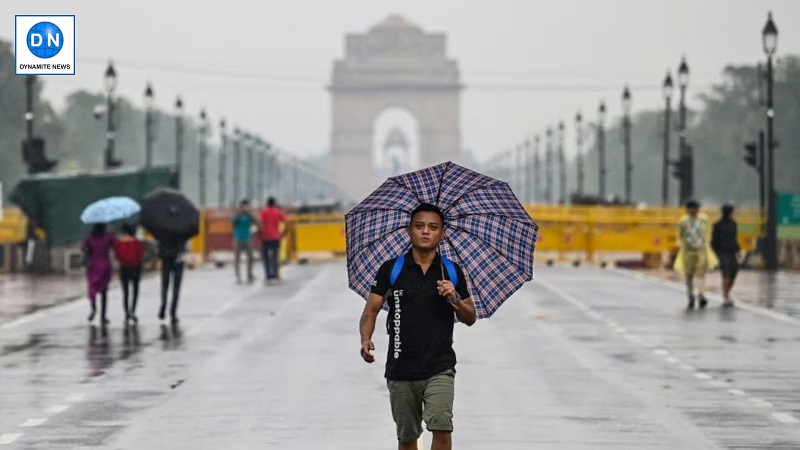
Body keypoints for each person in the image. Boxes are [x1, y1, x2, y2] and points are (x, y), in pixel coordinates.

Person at [359, 203, 477, 450]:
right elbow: (370, 310)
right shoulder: (392, 269)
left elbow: (470, 317)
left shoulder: (452, 272)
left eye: (433, 227)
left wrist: (454, 297)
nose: (426, 232)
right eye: (419, 226)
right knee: (407, 436)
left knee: (442, 426)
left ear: (442, 234)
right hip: (401, 366)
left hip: (440, 365)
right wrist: (365, 339)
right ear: (409, 231)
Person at [674, 200, 719, 309]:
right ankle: (690, 296)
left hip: (701, 251)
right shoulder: (683, 221)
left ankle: (701, 294)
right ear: (687, 209)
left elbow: (708, 232)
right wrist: (681, 244)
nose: (693, 210)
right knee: (689, 275)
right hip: (687, 251)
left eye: (695, 208)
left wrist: (707, 243)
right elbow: (679, 235)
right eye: (691, 208)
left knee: (701, 274)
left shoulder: (704, 220)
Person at [82, 223, 116, 324]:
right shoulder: (108, 237)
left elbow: (84, 249)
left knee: (92, 289)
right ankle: (103, 316)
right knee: (104, 292)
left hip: (93, 266)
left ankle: (93, 308)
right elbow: (115, 245)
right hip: (105, 266)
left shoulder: (89, 238)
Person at [114, 223, 145, 324]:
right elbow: (140, 254)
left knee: (126, 292)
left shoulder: (119, 243)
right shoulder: (135, 242)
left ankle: (126, 312)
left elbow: (117, 256)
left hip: (124, 268)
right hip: (135, 268)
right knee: (135, 291)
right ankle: (133, 311)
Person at [712, 204, 741, 307]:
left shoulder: (734, 224)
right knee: (726, 273)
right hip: (721, 252)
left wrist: (738, 249)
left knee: (734, 271)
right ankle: (725, 296)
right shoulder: (717, 225)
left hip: (732, 252)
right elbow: (714, 240)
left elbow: (734, 238)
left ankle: (727, 292)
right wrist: (714, 253)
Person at [157, 237, 187, 324]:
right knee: (176, 288)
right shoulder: (182, 231)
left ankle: (163, 305)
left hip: (166, 260)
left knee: (164, 286)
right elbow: (184, 247)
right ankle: (173, 313)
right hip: (178, 260)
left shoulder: (164, 231)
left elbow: (159, 246)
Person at [259, 197, 287, 285]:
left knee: (266, 258)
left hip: (265, 237)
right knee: (275, 257)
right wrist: (282, 233)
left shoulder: (263, 212)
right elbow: (285, 220)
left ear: (267, 204)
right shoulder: (277, 212)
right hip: (275, 237)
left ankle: (268, 275)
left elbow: (260, 223)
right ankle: (275, 274)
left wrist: (260, 234)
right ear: (274, 204)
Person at [231, 199, 259, 283]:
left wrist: (249, 213)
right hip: (238, 238)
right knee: (237, 258)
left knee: (251, 258)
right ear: (241, 206)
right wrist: (240, 213)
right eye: (245, 206)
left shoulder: (249, 215)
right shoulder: (236, 214)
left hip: (247, 238)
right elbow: (233, 221)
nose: (246, 208)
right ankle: (238, 276)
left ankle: (249, 275)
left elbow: (256, 221)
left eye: (248, 206)